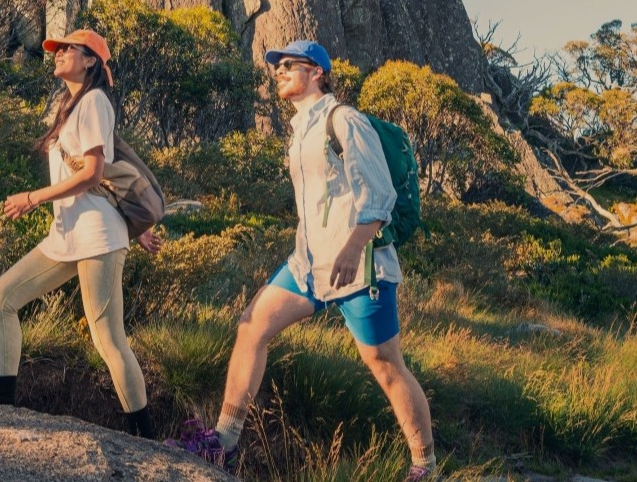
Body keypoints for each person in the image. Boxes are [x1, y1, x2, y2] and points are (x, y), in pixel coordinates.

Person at [167, 40, 437, 480]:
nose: (279, 71)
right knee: (252, 325)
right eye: (276, 66)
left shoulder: (344, 120)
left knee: (386, 366)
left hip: (360, 265)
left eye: (288, 64)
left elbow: (380, 194)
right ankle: (224, 444)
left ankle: (424, 466)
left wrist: (352, 249)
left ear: (317, 72)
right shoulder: (299, 131)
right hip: (308, 266)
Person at [0, 29, 163, 439]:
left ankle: (145, 438)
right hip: (67, 234)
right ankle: (0, 411)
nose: (59, 53)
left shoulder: (96, 101)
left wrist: (32, 197)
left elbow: (94, 173)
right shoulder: (71, 105)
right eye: (57, 49)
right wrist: (136, 231)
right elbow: (99, 182)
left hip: (97, 236)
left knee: (108, 340)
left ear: (90, 61)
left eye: (69, 49)